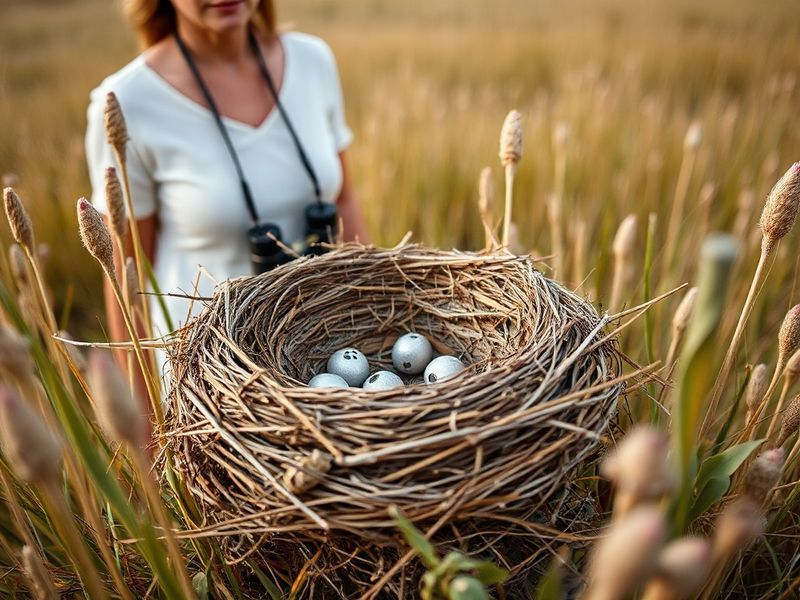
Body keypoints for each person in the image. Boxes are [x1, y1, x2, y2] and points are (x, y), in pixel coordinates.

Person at [85, 0, 368, 396]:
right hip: (210, 390)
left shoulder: (312, 60)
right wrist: (145, 438)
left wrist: (373, 311)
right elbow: (125, 281)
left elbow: (345, 200)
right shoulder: (126, 102)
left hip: (324, 357)